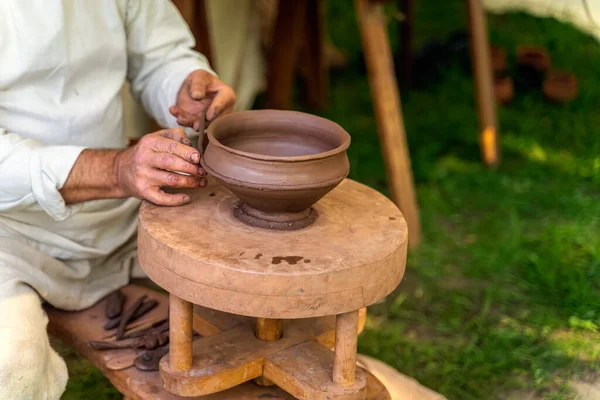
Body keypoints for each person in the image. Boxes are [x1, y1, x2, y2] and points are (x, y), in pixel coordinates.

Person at [0, 1, 236, 398]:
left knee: (259, 288)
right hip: (11, 231)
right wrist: (115, 171)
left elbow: (159, 52)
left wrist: (184, 85)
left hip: (116, 212)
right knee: (10, 364)